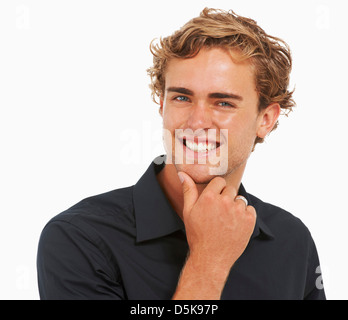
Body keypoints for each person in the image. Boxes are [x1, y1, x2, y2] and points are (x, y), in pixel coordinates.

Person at [37, 8, 326, 300]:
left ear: (265, 119)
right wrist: (208, 261)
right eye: (182, 97)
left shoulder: (292, 240)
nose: (197, 122)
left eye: (223, 103)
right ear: (162, 105)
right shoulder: (79, 239)